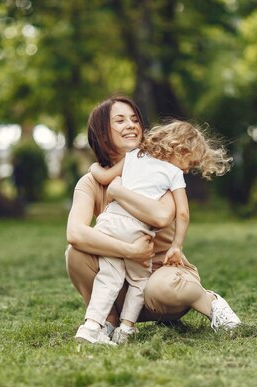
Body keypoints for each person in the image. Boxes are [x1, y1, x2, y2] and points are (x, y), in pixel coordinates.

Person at [65, 96, 241, 345]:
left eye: (135, 119)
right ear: (102, 132)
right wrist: (130, 250)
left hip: (160, 281)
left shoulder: (161, 173)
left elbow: (161, 216)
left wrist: (118, 191)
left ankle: (209, 301)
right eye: (120, 120)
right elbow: (75, 233)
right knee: (75, 253)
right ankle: (108, 321)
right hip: (118, 278)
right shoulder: (91, 183)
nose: (131, 125)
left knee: (161, 288)